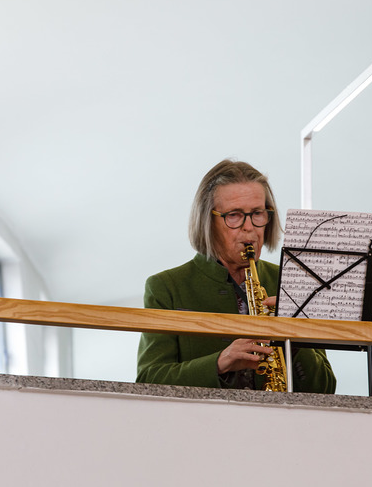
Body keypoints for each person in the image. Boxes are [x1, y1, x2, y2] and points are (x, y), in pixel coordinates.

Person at [136, 159, 336, 393]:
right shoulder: (166, 287)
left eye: (257, 213)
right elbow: (148, 380)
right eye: (234, 215)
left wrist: (293, 337)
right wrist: (220, 363)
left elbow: (325, 389)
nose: (249, 227)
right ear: (208, 222)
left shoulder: (293, 282)